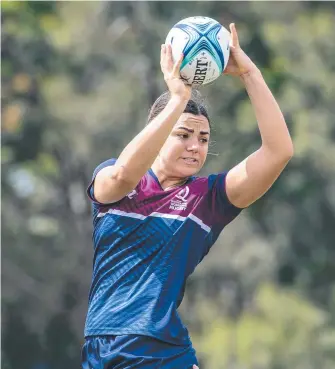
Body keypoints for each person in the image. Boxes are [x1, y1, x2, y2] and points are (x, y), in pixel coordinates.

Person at [81, 23, 294, 369]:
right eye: (183, 134)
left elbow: (278, 151)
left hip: (162, 353)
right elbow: (120, 176)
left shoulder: (208, 199)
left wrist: (250, 74)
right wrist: (178, 98)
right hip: (99, 350)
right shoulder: (114, 180)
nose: (196, 147)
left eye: (204, 139)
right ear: (159, 132)